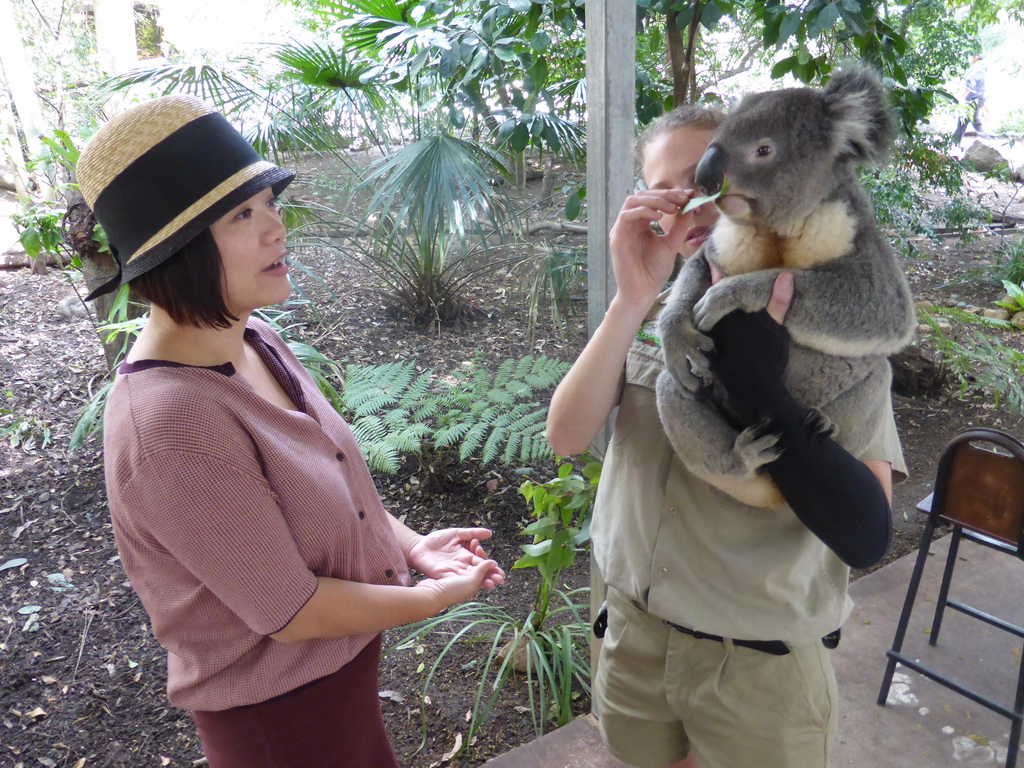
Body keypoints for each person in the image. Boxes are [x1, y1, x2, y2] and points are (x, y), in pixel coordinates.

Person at [76, 95, 505, 768]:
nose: (277, 227)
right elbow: (293, 610)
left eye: (268, 202)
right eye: (243, 215)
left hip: (339, 686)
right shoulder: (171, 422)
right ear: (176, 251)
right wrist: (427, 599)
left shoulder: (255, 337)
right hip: (279, 724)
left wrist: (414, 545)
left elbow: (335, 478)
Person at [547, 105, 907, 768]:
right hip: (634, 636)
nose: (703, 201)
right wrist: (633, 298)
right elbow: (567, 436)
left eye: (713, 177)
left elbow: (866, 530)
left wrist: (761, 386)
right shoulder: (661, 315)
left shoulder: (830, 329)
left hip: (757, 667)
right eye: (675, 189)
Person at [952, 51, 989, 142]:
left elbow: (971, 84)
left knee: (965, 119)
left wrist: (962, 97)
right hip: (979, 97)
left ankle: (953, 143)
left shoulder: (977, 68)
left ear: (975, 57)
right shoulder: (982, 67)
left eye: (969, 56)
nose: (968, 59)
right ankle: (954, 142)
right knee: (972, 121)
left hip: (973, 98)